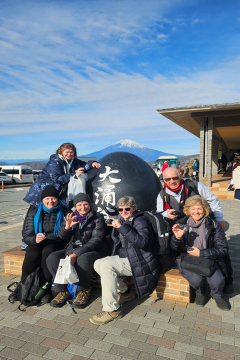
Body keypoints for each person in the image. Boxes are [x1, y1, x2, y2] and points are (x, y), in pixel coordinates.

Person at [156, 167, 234, 294]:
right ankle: (194, 278)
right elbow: (159, 212)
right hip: (183, 227)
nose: (172, 181)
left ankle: (227, 279)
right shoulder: (162, 194)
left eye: (175, 178)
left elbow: (212, 200)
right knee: (184, 251)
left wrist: (219, 218)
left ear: (180, 177)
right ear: (164, 180)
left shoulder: (194, 185)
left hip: (204, 223)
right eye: (168, 179)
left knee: (220, 249)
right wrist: (166, 213)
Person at [89, 196, 160, 325]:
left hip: (141, 261)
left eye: (127, 209)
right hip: (128, 257)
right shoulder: (121, 218)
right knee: (98, 263)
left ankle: (112, 310)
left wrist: (122, 227)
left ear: (134, 208)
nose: (123, 212)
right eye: (120, 209)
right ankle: (126, 292)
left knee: (106, 266)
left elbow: (142, 242)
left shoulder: (140, 221)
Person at [46, 193, 108, 308]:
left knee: (83, 259)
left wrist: (77, 253)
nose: (83, 207)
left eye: (86, 204)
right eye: (79, 205)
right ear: (75, 206)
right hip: (72, 248)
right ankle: (63, 290)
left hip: (95, 249)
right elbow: (61, 237)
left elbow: (97, 239)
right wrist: (66, 228)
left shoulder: (97, 217)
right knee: (52, 258)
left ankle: (83, 290)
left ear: (90, 205)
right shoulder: (71, 216)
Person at [171, 195, 230, 311]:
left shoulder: (213, 225)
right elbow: (175, 248)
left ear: (205, 210)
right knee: (196, 280)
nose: (196, 212)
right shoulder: (182, 224)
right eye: (193, 209)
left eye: (199, 208)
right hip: (188, 259)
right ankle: (200, 293)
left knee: (218, 281)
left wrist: (201, 253)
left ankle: (217, 295)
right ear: (188, 210)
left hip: (208, 258)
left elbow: (223, 249)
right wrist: (177, 239)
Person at [21, 185, 71, 304]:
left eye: (53, 198)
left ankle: (46, 288)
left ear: (58, 199)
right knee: (31, 252)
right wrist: (34, 239)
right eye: (47, 198)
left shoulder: (65, 212)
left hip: (56, 242)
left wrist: (65, 230)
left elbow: (65, 236)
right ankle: (24, 285)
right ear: (42, 200)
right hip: (38, 242)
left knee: (48, 251)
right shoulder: (34, 213)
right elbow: (26, 236)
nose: (50, 201)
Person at [23, 142, 101, 207]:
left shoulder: (74, 161)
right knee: (40, 213)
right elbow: (56, 178)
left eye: (71, 152)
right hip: (43, 192)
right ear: (61, 152)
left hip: (58, 193)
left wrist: (93, 163)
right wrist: (75, 174)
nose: (69, 154)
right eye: (67, 152)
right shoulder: (55, 162)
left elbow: (85, 165)